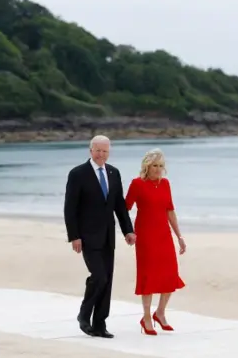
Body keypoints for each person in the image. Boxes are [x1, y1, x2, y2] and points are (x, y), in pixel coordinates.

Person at [63, 135, 137, 339]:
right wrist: (74, 236)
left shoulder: (114, 173)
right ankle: (84, 315)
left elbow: (119, 206)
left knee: (107, 280)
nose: (101, 154)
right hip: (87, 236)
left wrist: (128, 230)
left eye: (105, 151)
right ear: (90, 150)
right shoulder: (78, 174)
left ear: (109, 152)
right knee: (99, 277)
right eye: (98, 150)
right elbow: (70, 208)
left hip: (108, 236)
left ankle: (99, 324)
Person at [125, 147, 186, 336]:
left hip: (163, 235)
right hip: (145, 236)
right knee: (148, 275)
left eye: (161, 166)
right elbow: (124, 208)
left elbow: (170, 211)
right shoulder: (137, 184)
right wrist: (128, 231)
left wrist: (179, 237)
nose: (158, 169)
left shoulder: (166, 183)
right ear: (147, 166)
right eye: (154, 166)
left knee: (169, 274)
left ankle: (160, 312)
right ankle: (146, 317)